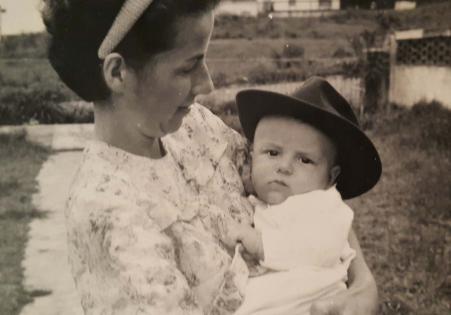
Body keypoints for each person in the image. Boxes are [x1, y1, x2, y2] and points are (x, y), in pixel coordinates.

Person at [41, 0, 379, 314]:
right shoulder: (106, 209)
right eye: (188, 67)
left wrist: (363, 285)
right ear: (118, 73)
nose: (208, 83)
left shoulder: (194, 127)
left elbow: (307, 195)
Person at [218, 77, 382, 315]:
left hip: (312, 303)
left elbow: (322, 247)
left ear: (330, 177)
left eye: (304, 160)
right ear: (252, 157)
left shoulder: (324, 205)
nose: (284, 167)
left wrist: (262, 244)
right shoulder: (258, 200)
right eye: (272, 153)